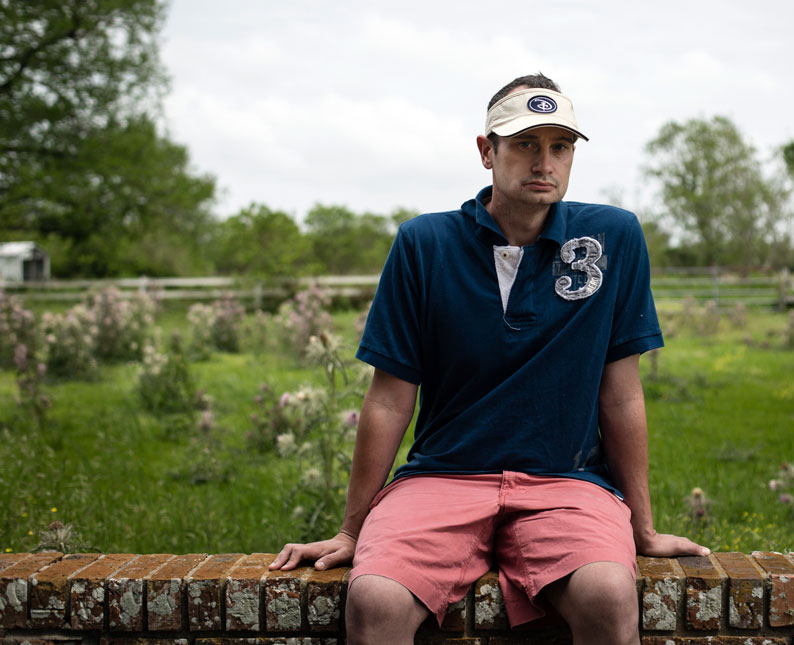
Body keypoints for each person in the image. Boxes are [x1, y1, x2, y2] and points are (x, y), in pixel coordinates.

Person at [269, 73, 710, 645]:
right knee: (374, 600)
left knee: (607, 593)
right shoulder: (424, 245)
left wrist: (643, 528)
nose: (543, 162)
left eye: (560, 146)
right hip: (440, 478)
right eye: (525, 143)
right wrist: (352, 530)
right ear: (487, 151)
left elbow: (621, 391)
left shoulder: (612, 237)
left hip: (566, 482)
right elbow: (388, 397)